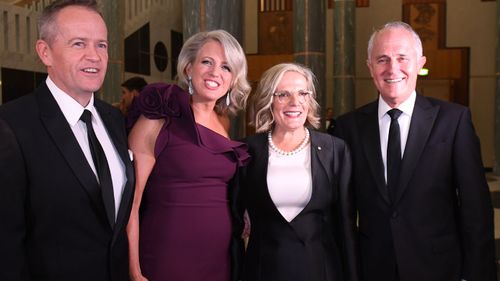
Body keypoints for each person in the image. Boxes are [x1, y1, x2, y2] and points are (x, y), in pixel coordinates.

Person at [333, 21, 496, 281]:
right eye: (382, 59)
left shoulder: (453, 121)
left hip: (439, 268)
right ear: (370, 67)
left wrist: (476, 274)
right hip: (372, 269)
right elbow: (343, 212)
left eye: (402, 58)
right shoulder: (347, 127)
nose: (392, 68)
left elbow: (476, 209)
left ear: (420, 64)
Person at [0, 1, 134, 280]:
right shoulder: (12, 124)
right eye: (78, 44)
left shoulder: (114, 120)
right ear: (45, 52)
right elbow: (6, 245)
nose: (94, 56)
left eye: (101, 45)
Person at [127, 29, 251, 281]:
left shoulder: (224, 122)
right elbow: (131, 200)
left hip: (218, 260)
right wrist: (134, 270)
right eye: (207, 61)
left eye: (226, 67)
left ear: (233, 78)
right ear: (188, 68)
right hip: (167, 256)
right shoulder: (159, 117)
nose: (216, 72)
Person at [235, 63, 359, 281]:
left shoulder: (335, 150)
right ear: (269, 101)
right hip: (263, 272)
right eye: (283, 94)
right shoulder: (246, 151)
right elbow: (233, 221)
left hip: (321, 271)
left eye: (303, 93)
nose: (295, 102)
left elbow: (346, 228)